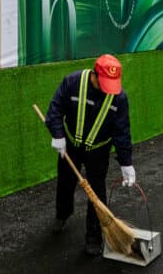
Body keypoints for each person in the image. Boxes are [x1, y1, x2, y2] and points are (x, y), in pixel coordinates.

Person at [44, 53, 133, 256]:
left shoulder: (119, 97)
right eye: (104, 83)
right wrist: (58, 135)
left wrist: (126, 163)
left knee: (97, 194)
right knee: (65, 183)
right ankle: (62, 214)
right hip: (71, 146)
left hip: (98, 150)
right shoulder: (72, 82)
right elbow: (55, 109)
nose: (107, 88)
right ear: (94, 75)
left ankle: (93, 238)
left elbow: (122, 132)